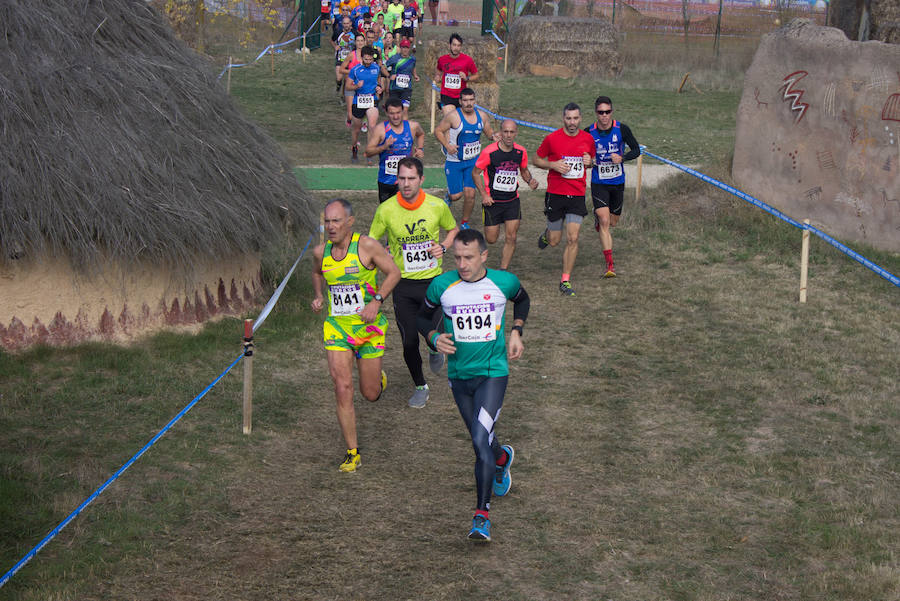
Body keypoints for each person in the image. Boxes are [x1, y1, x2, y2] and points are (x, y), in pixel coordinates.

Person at [416, 228, 529, 542]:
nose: (462, 264)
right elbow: (422, 318)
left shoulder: (502, 282)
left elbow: (522, 299)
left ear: (483, 256)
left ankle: (482, 516)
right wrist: (433, 337)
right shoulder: (442, 285)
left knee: (479, 440)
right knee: (484, 443)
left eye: (468, 257)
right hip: (459, 377)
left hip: (493, 373)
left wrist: (516, 331)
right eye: (457, 257)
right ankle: (502, 458)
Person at [311, 198, 401, 473]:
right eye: (327, 221)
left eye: (336, 221)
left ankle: (377, 381)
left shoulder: (367, 247)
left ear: (350, 222)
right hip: (337, 328)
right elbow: (317, 273)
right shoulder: (320, 252)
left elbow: (394, 272)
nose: (330, 226)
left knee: (370, 393)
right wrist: (318, 296)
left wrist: (376, 301)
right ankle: (352, 452)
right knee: (342, 388)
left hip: (368, 328)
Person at [368, 157, 459, 408]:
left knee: (438, 334)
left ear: (421, 179)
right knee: (409, 340)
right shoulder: (385, 210)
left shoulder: (436, 206)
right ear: (397, 179)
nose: (406, 184)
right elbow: (370, 243)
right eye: (402, 178)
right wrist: (381, 253)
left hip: (433, 282)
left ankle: (433, 347)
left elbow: (453, 229)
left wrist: (443, 246)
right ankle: (420, 386)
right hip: (403, 285)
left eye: (411, 178)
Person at [531, 102, 596, 296]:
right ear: (563, 119)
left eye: (575, 118)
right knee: (554, 240)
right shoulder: (552, 139)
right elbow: (536, 159)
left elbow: (592, 161)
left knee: (573, 237)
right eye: (569, 118)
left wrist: (590, 162)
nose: (572, 122)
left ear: (580, 119)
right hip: (556, 194)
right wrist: (553, 165)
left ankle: (565, 280)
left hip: (577, 195)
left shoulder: (588, 139)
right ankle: (547, 234)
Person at [472, 119, 539, 270]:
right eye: (506, 132)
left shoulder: (520, 152)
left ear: (516, 133)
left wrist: (530, 181)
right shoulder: (489, 152)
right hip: (492, 202)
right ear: (500, 133)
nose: (508, 135)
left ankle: (503, 270)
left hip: (512, 201)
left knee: (511, 237)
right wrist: (484, 195)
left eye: (512, 132)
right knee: (491, 239)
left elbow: (523, 170)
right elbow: (476, 173)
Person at [585, 95, 641, 278]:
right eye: (601, 112)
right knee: (605, 221)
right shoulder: (588, 132)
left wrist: (622, 158)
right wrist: (586, 161)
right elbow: (580, 154)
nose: (604, 116)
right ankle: (610, 265)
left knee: (613, 222)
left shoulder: (622, 129)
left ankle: (599, 219)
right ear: (596, 113)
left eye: (607, 112)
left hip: (617, 182)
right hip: (599, 182)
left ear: (612, 112)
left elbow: (636, 150)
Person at [434, 87, 498, 229]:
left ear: (475, 100)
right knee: (457, 196)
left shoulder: (482, 116)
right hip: (454, 161)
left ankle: (464, 222)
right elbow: (438, 130)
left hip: (473, 162)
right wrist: (447, 145)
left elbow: (489, 133)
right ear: (460, 101)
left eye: (471, 100)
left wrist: (494, 137)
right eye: (465, 100)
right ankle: (449, 197)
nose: (469, 103)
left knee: (470, 194)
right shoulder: (453, 116)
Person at [365, 96, 426, 202]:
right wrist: (384, 146)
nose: (396, 116)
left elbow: (421, 134)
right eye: (392, 113)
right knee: (387, 214)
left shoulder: (412, 126)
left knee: (406, 212)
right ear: (387, 113)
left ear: (403, 112)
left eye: (398, 113)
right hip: (386, 180)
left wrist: (420, 148)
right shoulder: (381, 129)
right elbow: (368, 152)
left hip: (406, 180)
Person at [434, 33, 478, 117]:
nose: (456, 48)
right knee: (450, 119)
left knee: (460, 123)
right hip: (446, 95)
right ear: (449, 45)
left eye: (458, 45)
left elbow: (476, 75)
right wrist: (438, 75)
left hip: (461, 97)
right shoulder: (442, 59)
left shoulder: (467, 60)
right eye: (454, 45)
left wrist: (467, 78)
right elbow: (439, 69)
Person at [383, 39, 419, 119]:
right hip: (394, 88)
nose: (405, 49)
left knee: (404, 110)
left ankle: (405, 129)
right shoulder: (394, 58)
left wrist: (415, 75)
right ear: (400, 48)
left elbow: (413, 68)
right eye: (403, 47)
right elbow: (383, 67)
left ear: (409, 48)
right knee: (394, 111)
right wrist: (389, 76)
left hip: (406, 89)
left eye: (407, 47)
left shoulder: (412, 59)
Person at [331, 15, 356, 96]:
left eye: (347, 23)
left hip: (350, 60)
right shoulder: (338, 31)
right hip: (340, 58)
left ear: (351, 23)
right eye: (344, 23)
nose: (346, 25)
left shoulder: (355, 33)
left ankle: (343, 96)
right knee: (339, 78)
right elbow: (332, 40)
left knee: (346, 80)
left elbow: (361, 41)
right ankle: (338, 85)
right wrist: (335, 46)